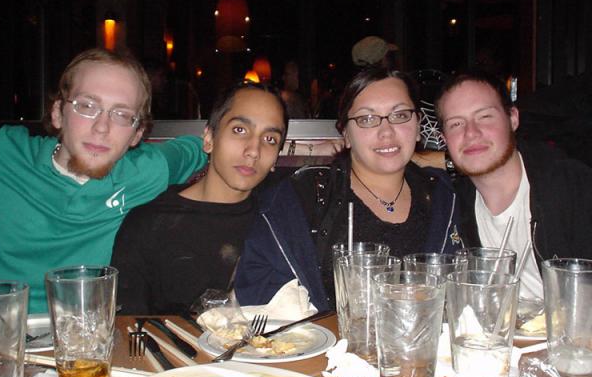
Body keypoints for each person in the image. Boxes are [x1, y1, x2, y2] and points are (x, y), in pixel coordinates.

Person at [0, 48, 207, 313]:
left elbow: (200, 146)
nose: (102, 127)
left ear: (136, 134)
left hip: (88, 335)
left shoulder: (145, 172)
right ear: (58, 113)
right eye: (87, 106)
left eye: (121, 115)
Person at [237, 65, 464, 307]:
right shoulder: (303, 196)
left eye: (400, 115)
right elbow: (258, 291)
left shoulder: (444, 196)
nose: (386, 132)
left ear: (418, 125)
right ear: (345, 133)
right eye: (367, 119)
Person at [111, 82, 329, 314]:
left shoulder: (281, 218)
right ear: (209, 138)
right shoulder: (148, 223)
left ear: (276, 157)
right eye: (239, 130)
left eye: (270, 139)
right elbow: (127, 324)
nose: (253, 151)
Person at [435, 70, 592, 300]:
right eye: (456, 124)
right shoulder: (453, 205)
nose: (471, 133)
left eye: (485, 116)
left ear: (513, 119)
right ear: (444, 139)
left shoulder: (572, 187)